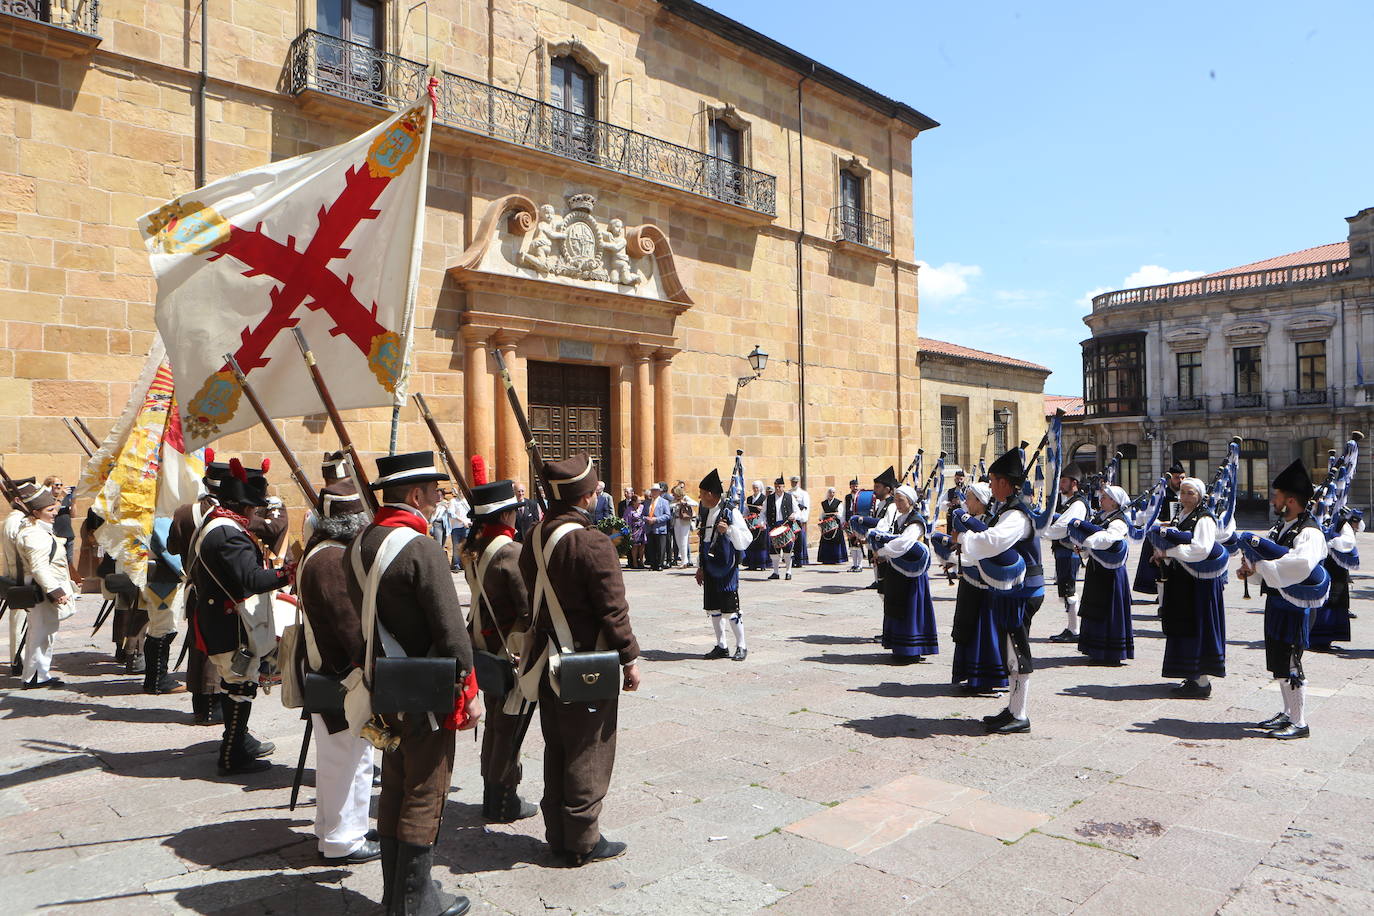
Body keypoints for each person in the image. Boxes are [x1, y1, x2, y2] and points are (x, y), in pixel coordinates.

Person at [345, 451, 481, 914]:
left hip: (382, 681)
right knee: (426, 787)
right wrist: (470, 691)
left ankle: (396, 893)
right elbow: (451, 631)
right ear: (416, 494)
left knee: (397, 785)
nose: (439, 500)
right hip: (426, 686)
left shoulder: (361, 541)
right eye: (436, 493)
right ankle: (414, 901)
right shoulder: (419, 547)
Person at [517, 454, 641, 867]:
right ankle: (583, 839)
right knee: (590, 747)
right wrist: (630, 658)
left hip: (545, 661)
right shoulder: (591, 541)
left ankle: (559, 831)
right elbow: (612, 608)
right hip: (586, 661)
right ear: (587, 496)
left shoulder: (534, 536)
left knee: (558, 745)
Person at [296, 480, 380, 865]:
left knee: (338, 758)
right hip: (339, 674)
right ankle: (344, 839)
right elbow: (350, 627)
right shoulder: (332, 561)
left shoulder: (320, 551)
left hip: (326, 671)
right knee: (350, 758)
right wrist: (368, 668)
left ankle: (332, 830)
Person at [187, 459, 289, 775]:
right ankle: (232, 756)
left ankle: (236, 745)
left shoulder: (218, 522)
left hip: (221, 619)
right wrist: (289, 573)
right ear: (243, 505)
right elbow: (253, 579)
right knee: (240, 686)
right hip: (230, 626)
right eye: (254, 508)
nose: (256, 513)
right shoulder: (229, 533)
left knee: (236, 684)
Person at [461, 478, 538, 824]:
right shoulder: (511, 552)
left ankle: (492, 793)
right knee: (509, 724)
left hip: (483, 646)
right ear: (507, 515)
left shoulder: (475, 549)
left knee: (496, 724)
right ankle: (503, 799)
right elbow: (527, 609)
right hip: (510, 651)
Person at [1242, 459, 1326, 740]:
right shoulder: (1283, 526)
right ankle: (1288, 713)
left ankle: (1300, 722)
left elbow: (1301, 565)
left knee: (1291, 661)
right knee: (1279, 660)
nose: (1272, 500)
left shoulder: (1309, 531)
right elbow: (1266, 559)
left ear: (1291, 499)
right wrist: (1251, 570)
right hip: (1277, 600)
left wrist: (1262, 567)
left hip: (1296, 605)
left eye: (1277, 495)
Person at [957, 448, 1039, 735]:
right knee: (1010, 649)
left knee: (1017, 649)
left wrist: (966, 534)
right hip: (1010, 589)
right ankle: (1013, 709)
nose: (990, 485)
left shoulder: (1016, 515)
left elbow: (993, 541)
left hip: (1022, 590)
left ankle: (1021, 714)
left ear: (1004, 482)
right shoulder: (1006, 510)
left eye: (993, 480)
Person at [168, 461, 231, 725]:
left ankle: (199, 705)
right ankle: (213, 705)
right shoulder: (227, 514)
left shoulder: (184, 513)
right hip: (222, 589)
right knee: (220, 648)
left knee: (197, 646)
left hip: (194, 589)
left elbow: (172, 547)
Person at [1154, 477, 1227, 698]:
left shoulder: (1204, 519)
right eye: (1182, 492)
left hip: (1198, 583)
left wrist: (1169, 553)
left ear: (1200, 497)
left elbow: (1200, 550)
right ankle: (1191, 674)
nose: (1184, 497)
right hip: (1183, 580)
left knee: (1198, 625)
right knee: (1183, 624)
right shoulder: (1182, 515)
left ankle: (1202, 681)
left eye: (1190, 493)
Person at [948, 482, 1008, 694]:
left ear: (980, 501)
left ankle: (987, 678)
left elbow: (988, 551)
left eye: (970, 498)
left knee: (985, 630)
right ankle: (970, 675)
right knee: (967, 626)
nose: (966, 502)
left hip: (986, 587)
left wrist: (962, 543)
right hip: (969, 581)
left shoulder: (993, 523)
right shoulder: (969, 522)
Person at [871, 484, 938, 665]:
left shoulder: (916, 522)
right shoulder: (900, 519)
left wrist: (882, 551)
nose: (898, 503)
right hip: (898, 571)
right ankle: (899, 647)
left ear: (910, 502)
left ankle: (912, 649)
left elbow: (903, 544)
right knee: (896, 606)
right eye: (896, 500)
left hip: (912, 574)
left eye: (901, 500)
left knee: (910, 609)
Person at [1068, 485, 1134, 666]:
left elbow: (1108, 539)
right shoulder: (1100, 517)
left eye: (1105, 497)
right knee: (1094, 607)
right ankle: (1094, 649)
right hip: (1096, 569)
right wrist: (1082, 548)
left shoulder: (1119, 521)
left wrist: (1087, 541)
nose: (1101, 499)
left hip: (1111, 572)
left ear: (1114, 502)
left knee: (1108, 609)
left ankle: (1111, 652)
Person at [15, 483, 74, 688]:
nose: (54, 512)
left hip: (44, 590)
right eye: (49, 510)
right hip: (42, 592)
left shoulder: (38, 531)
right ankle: (32, 677)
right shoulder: (35, 535)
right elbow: (39, 568)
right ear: (35, 513)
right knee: (40, 633)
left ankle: (41, 674)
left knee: (46, 633)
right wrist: (56, 592)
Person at [696, 469, 752, 660]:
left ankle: (742, 646)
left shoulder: (731, 512)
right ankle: (721, 645)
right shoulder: (705, 512)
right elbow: (704, 540)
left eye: (702, 494)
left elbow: (746, 538)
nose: (700, 497)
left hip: (726, 568)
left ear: (711, 494)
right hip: (710, 566)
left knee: (731, 609)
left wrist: (728, 530)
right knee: (713, 608)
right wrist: (700, 567)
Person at [1042, 464, 1090, 643]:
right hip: (1062, 551)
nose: (1061, 484)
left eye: (1064, 481)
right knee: (1065, 589)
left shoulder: (1077, 503)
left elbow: (1065, 526)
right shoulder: (1064, 502)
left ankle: (1074, 630)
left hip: (1070, 551)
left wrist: (1043, 532)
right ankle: (1071, 628)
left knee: (1069, 589)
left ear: (1074, 483)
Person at [141, 514, 188, 695]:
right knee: (163, 627)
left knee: (158, 628)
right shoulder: (159, 519)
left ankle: (154, 679)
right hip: (163, 583)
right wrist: (186, 574)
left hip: (159, 582)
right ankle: (158, 680)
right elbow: (169, 551)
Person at [1309, 505, 1358, 651]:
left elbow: (1349, 541)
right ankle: (1311, 636)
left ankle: (1325, 638)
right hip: (1316, 565)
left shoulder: (1340, 521)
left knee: (1332, 600)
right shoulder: (1309, 518)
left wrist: (1331, 543)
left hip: (1334, 567)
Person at [1133, 461, 1184, 599]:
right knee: (1158, 568)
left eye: (1182, 477)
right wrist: (1166, 523)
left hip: (1177, 536)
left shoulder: (1185, 494)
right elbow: (1151, 516)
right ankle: (1161, 595)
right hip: (1160, 534)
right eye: (1176, 477)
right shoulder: (1162, 495)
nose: (1180, 480)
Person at [2, 477, 37, 676]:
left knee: (19, 619)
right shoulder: (19, 522)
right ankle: (20, 661)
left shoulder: (13, 520)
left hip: (18, 577)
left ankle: (19, 660)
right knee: (22, 620)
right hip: (23, 579)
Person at [866, 466, 900, 591]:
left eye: (877, 487)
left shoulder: (891, 505)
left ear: (887, 489)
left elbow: (886, 526)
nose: (875, 490)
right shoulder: (880, 504)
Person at [764, 477, 797, 580]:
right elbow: (763, 512)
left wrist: (794, 516)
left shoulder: (790, 497)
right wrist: (762, 522)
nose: (778, 488)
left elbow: (797, 510)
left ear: (783, 487)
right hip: (773, 526)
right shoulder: (769, 498)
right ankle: (776, 572)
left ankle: (788, 571)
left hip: (786, 526)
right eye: (776, 487)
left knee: (787, 550)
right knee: (774, 550)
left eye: (779, 487)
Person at [43, 476, 77, 570]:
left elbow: (73, 515)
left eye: (61, 485)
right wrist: (61, 497)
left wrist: (73, 502)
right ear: (49, 486)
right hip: (56, 536)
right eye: (56, 485)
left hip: (68, 535)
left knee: (69, 563)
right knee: (56, 563)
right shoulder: (46, 499)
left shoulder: (65, 498)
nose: (59, 487)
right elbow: (54, 512)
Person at [743, 481, 770, 571]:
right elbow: (746, 510)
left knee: (761, 543)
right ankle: (752, 564)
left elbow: (767, 510)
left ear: (760, 488)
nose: (755, 489)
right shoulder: (750, 498)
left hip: (760, 522)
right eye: (754, 487)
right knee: (752, 543)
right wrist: (745, 517)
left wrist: (762, 509)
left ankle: (762, 564)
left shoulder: (764, 498)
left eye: (757, 488)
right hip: (751, 523)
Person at [671, 482, 698, 569]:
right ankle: (684, 560)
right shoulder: (674, 500)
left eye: (674, 493)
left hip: (685, 521)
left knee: (684, 541)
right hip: (677, 521)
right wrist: (677, 504)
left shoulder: (685, 498)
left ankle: (684, 561)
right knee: (678, 541)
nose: (673, 495)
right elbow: (670, 505)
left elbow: (695, 503)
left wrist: (686, 503)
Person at [817, 486, 847, 565]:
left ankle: (837, 558)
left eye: (833, 492)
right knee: (826, 541)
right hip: (826, 524)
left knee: (836, 540)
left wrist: (839, 519)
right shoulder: (824, 503)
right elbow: (822, 513)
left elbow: (840, 513)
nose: (832, 494)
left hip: (835, 523)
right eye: (830, 492)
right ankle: (826, 558)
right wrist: (821, 518)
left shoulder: (838, 502)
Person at [842, 479, 866, 573]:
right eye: (853, 486)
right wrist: (843, 521)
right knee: (852, 544)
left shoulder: (861, 496)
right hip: (849, 522)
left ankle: (860, 565)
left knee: (858, 543)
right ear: (850, 487)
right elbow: (845, 509)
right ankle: (854, 564)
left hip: (858, 522)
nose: (855, 488)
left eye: (856, 486)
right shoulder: (847, 497)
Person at [645, 483, 671, 571]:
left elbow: (667, 515)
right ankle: (653, 564)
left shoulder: (664, 502)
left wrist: (656, 519)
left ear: (659, 492)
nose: (654, 492)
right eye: (653, 490)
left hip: (660, 528)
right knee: (651, 547)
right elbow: (642, 515)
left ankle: (660, 564)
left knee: (661, 547)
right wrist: (646, 519)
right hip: (649, 528)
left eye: (656, 490)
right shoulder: (647, 502)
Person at [789, 476, 811, 567]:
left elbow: (806, 507)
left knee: (799, 540)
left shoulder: (803, 493)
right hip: (790, 519)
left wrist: (803, 519)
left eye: (795, 482)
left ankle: (800, 559)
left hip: (799, 520)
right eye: (792, 482)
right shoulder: (788, 493)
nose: (794, 483)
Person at [622, 492, 646, 569]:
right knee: (635, 546)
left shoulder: (642, 507)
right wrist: (628, 531)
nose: (640, 502)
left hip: (642, 529)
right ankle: (635, 562)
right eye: (638, 501)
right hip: (634, 530)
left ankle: (641, 561)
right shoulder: (629, 509)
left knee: (642, 546)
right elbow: (626, 521)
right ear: (633, 502)